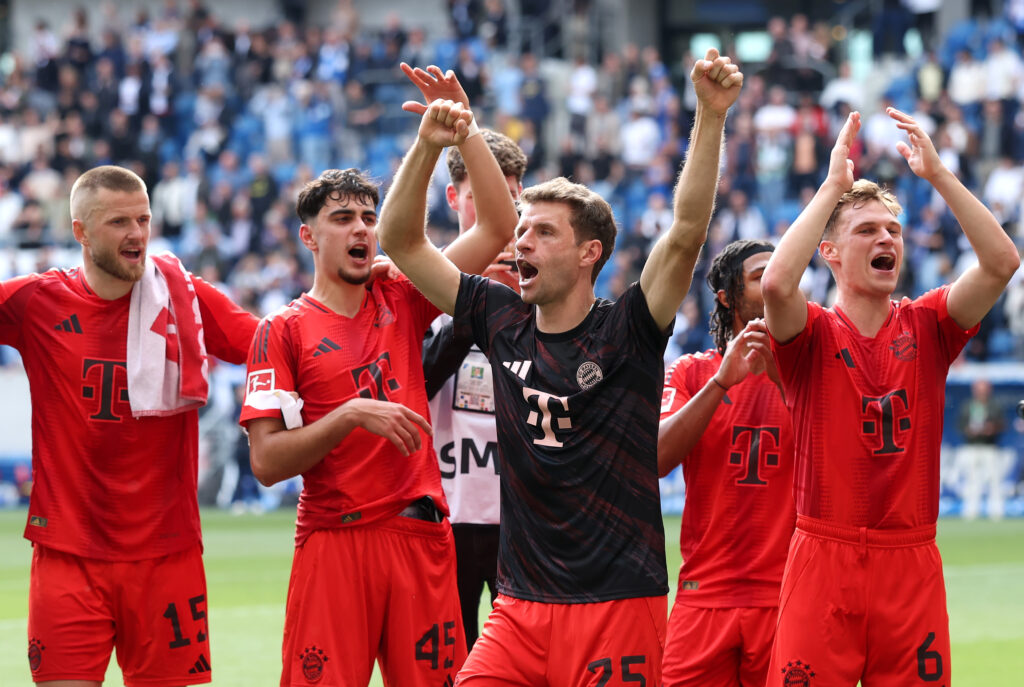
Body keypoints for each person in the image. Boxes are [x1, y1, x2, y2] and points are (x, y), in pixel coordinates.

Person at [378, 48, 742, 687]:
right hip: (519, 611)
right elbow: (403, 243)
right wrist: (432, 146)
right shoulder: (497, 315)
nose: (520, 242)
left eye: (542, 232)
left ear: (588, 253)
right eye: (522, 229)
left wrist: (708, 117)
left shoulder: (628, 328)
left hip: (616, 603)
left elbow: (685, 231)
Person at [238, 99, 518, 685]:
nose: (361, 227)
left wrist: (446, 141)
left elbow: (495, 228)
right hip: (335, 538)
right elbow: (265, 462)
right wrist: (348, 416)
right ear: (307, 236)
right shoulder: (282, 329)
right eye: (342, 218)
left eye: (368, 216)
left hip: (420, 535)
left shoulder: (403, 296)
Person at [761, 107, 1020, 686]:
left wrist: (939, 176)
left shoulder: (928, 324)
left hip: (911, 558)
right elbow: (777, 283)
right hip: (823, 553)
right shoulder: (812, 334)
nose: (886, 239)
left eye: (893, 231)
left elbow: (1002, 262)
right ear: (828, 253)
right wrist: (831, 187)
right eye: (867, 230)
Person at [0, 165, 258, 686]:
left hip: (167, 552)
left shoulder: (184, 296)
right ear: (80, 231)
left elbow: (273, 343)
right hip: (68, 554)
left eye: (143, 219)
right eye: (119, 222)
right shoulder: (36, 301)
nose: (137, 234)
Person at [658, 238, 795, 687]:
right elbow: (657, 456)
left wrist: (784, 379)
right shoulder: (691, 372)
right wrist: (721, 382)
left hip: (787, 597)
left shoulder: (811, 370)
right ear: (725, 296)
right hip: (704, 596)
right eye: (760, 276)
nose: (777, 282)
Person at [422, 122, 527, 649]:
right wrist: (474, 301)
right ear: (453, 197)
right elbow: (413, 381)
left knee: (528, 660)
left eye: (508, 197)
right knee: (449, 661)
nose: (498, 210)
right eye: (481, 195)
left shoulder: (539, 281)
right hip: (447, 511)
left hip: (522, 514)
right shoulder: (420, 281)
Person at [955, 378, 1009, 520]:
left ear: (988, 391)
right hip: (971, 447)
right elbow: (960, 425)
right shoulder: (968, 405)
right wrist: (969, 430)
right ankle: (971, 511)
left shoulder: (994, 405)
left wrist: (992, 428)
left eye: (984, 390)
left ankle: (996, 512)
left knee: (994, 480)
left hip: (989, 447)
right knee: (972, 480)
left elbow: (1002, 424)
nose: (981, 393)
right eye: (979, 390)